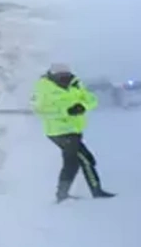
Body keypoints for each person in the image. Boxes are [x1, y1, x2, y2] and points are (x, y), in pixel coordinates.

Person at [32, 63, 115, 202]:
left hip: (75, 130)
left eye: (66, 75)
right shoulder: (43, 88)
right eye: (60, 76)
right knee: (85, 159)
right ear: (52, 75)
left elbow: (91, 99)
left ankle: (62, 194)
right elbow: (39, 110)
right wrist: (65, 111)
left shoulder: (75, 84)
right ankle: (96, 191)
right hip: (58, 131)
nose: (64, 78)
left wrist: (83, 106)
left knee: (72, 163)